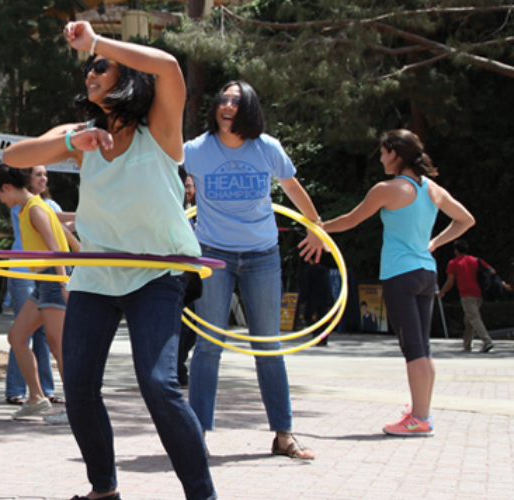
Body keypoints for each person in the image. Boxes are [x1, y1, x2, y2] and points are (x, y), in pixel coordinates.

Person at [2, 20, 215, 499]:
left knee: (158, 385)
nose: (90, 73)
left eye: (101, 67)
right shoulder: (83, 137)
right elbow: (15, 154)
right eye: (89, 69)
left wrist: (96, 41)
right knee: (77, 385)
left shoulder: (160, 129)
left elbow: (169, 66)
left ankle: (202, 494)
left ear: (128, 77)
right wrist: (71, 142)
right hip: (97, 278)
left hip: (157, 271)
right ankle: (104, 490)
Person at [183, 80, 323, 461]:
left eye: (236, 100)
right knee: (208, 345)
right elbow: (164, 179)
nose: (227, 105)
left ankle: (283, 434)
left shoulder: (267, 148)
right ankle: (197, 435)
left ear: (249, 109)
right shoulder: (195, 150)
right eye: (223, 99)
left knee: (268, 346)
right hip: (213, 254)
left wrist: (317, 228)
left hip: (262, 255)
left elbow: (293, 188)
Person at [320, 129, 473, 437]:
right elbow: (466, 219)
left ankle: (419, 418)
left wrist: (320, 227)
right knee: (423, 349)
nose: (379, 157)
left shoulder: (387, 189)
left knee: (413, 349)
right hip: (426, 273)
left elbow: (352, 219)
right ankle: (422, 413)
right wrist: (434, 244)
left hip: (400, 275)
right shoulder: (432, 189)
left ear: (396, 154)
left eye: (382, 152)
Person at [0, 165, 72, 425]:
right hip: (43, 282)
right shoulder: (32, 207)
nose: (0, 201)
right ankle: (36, 398)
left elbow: (55, 247)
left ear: (6, 188)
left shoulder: (35, 209)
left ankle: (78, 406)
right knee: (16, 336)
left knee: (59, 348)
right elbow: (68, 237)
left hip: (52, 279)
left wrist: (64, 281)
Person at [3, 167, 59, 406]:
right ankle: (27, 393)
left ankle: (48, 392)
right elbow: (62, 230)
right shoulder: (25, 205)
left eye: (45, 174)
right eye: (38, 174)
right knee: (20, 334)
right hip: (28, 272)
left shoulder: (43, 207)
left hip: (50, 275)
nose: (43, 178)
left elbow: (60, 241)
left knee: (52, 339)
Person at [437, 240, 495, 353]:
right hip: (479, 294)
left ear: (456, 250)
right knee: (469, 320)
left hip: (466, 295)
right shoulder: (476, 260)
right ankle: (467, 345)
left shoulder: (453, 263)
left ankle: (487, 341)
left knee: (474, 318)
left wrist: (442, 292)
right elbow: (492, 271)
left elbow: (450, 282)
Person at [176, 170, 201, 387]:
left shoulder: (200, 214)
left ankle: (179, 365)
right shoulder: (171, 210)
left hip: (195, 277)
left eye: (190, 186)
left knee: (192, 329)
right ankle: (177, 370)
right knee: (180, 326)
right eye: (184, 185)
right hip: (175, 275)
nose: (187, 190)